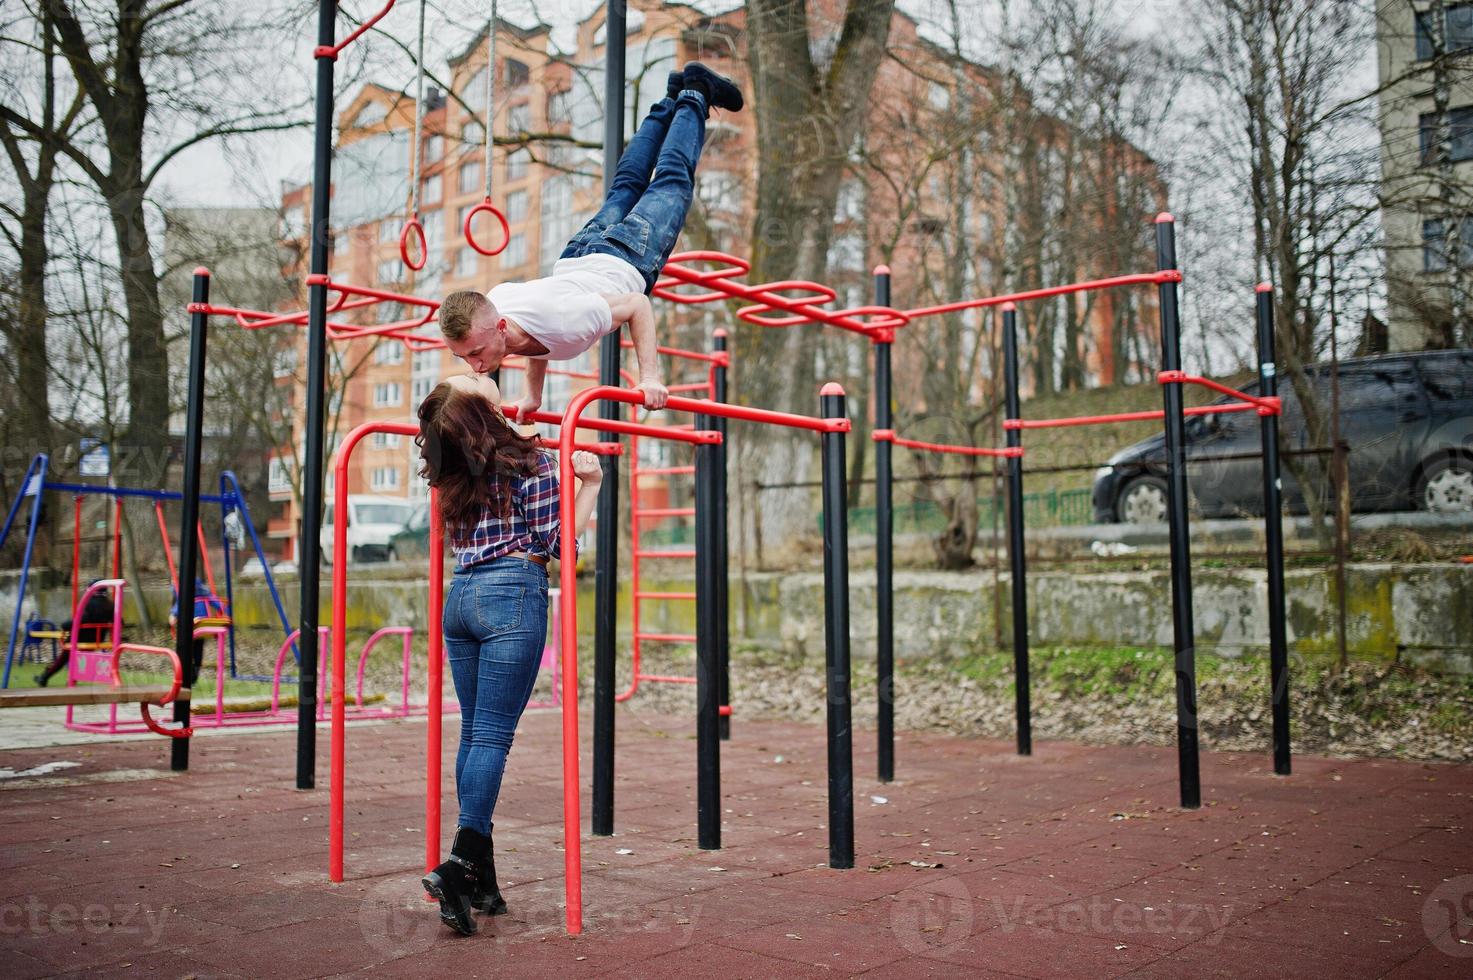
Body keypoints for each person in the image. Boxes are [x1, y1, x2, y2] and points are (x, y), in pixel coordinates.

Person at [437, 61, 745, 420]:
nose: (473, 364)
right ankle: (670, 98)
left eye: (475, 352)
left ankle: (694, 92)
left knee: (672, 180)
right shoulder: (498, 308)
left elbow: (636, 305)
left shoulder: (566, 319)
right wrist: (531, 396)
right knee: (627, 181)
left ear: (500, 327)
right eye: (463, 356)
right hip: (578, 254)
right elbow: (537, 344)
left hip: (627, 256)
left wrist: (649, 378)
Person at [414, 373, 604, 935]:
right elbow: (558, 548)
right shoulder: (531, 462)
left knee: (475, 733)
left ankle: (482, 880)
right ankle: (462, 863)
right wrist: (590, 484)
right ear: (481, 413)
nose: (486, 377)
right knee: (492, 736)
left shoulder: (451, 472)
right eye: (476, 382)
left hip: (462, 597)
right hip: (511, 594)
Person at [35, 581, 114, 686]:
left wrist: (64, 625)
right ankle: (46, 677)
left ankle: (46, 676)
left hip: (82, 638)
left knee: (65, 654)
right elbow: (119, 621)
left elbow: (80, 621)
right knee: (68, 655)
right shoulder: (110, 605)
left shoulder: (89, 604)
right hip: (98, 639)